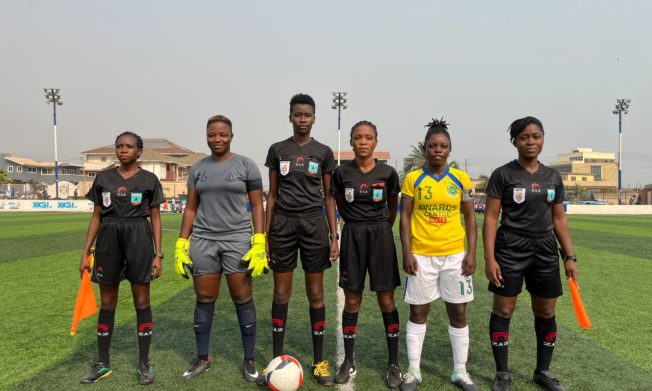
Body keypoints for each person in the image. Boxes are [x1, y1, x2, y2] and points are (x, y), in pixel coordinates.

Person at [483, 116, 577, 391]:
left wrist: (569, 257)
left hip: (545, 249)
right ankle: (502, 374)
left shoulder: (552, 176)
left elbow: (559, 219)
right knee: (503, 309)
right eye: (524, 137)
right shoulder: (503, 174)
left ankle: (543, 371)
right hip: (510, 247)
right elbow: (490, 217)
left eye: (536, 136)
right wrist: (489, 258)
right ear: (515, 142)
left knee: (546, 311)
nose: (531, 141)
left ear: (543, 138)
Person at [173, 115, 266, 382]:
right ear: (206, 137)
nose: (217, 139)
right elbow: (191, 208)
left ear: (231, 136)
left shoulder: (246, 165)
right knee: (204, 299)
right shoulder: (198, 168)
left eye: (222, 134)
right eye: (212, 135)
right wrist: (182, 242)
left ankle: (249, 358)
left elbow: (258, 205)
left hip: (237, 239)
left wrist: (259, 238)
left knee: (242, 297)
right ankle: (203, 357)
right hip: (203, 240)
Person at [262, 93, 339, 386]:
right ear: (290, 116)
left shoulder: (324, 152)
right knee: (281, 294)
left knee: (316, 294)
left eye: (307, 115)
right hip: (282, 224)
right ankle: (275, 361)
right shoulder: (277, 150)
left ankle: (319, 362)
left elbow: (329, 196)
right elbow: (273, 194)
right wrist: (267, 236)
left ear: (314, 118)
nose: (302, 119)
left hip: (313, 225)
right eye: (298, 115)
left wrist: (333, 236)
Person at [78, 131, 164, 385]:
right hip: (108, 238)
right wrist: (85, 252)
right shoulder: (104, 178)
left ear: (139, 152)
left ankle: (144, 364)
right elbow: (96, 216)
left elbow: (155, 218)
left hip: (139, 236)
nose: (123, 150)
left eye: (129, 146)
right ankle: (103, 364)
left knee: (141, 301)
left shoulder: (149, 180)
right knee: (107, 304)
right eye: (119, 146)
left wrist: (157, 254)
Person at [400, 118, 479, 391]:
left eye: (443, 146)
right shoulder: (413, 179)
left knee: (458, 313)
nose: (438, 150)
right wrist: (407, 252)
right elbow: (405, 217)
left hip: (455, 256)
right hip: (421, 255)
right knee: (418, 312)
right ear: (425, 148)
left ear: (450, 149)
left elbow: (470, 219)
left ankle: (460, 371)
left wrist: (471, 253)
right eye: (432, 145)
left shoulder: (460, 179)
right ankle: (413, 371)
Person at [331, 121, 402, 388]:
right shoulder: (341, 173)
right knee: (352, 301)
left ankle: (393, 363)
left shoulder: (388, 172)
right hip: (353, 236)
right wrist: (355, 227)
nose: (363, 142)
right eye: (358, 137)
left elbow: (392, 208)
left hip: (380, 236)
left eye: (368, 137)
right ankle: (348, 362)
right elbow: (339, 203)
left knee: (386, 301)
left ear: (376, 142)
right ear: (351, 142)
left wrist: (380, 228)